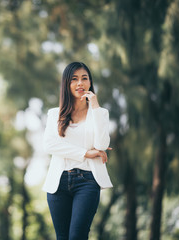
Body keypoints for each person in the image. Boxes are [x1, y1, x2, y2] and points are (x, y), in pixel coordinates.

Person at [43, 62, 113, 240]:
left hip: (87, 181)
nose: (80, 83)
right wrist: (86, 153)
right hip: (58, 182)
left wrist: (95, 106)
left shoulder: (100, 113)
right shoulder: (55, 114)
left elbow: (102, 144)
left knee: (77, 236)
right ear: (67, 84)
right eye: (74, 79)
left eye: (84, 78)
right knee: (62, 237)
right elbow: (50, 145)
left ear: (90, 83)